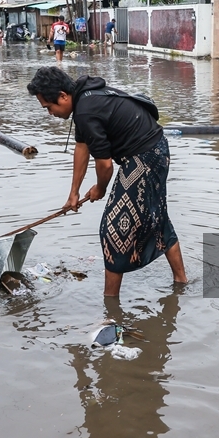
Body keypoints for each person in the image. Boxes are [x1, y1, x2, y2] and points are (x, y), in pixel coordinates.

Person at [27, 66, 187, 297]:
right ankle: (181, 282)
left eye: (49, 107)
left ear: (63, 96)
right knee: (157, 216)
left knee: (113, 229)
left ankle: (110, 303)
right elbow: (82, 147)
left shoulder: (85, 111)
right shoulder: (84, 98)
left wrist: (100, 188)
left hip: (145, 156)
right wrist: (74, 193)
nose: (49, 113)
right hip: (155, 150)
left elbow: (105, 165)